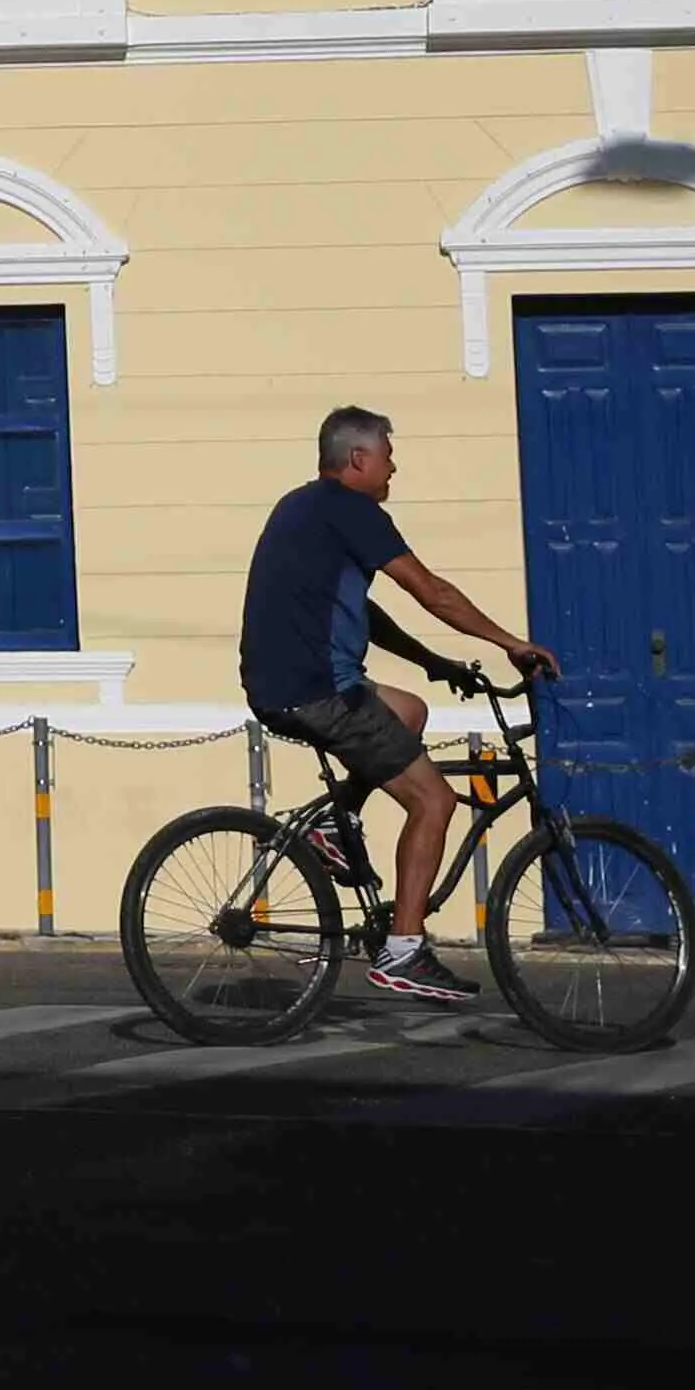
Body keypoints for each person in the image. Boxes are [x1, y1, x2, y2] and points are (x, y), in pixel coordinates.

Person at [237, 404, 557, 1005]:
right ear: (357, 459)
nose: (394, 466)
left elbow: (362, 611)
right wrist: (511, 643)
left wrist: (431, 663)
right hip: (317, 690)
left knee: (409, 710)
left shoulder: (303, 507)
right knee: (434, 800)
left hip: (292, 682)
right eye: (387, 453)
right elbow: (430, 590)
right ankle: (404, 951)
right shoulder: (350, 509)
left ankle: (332, 824)